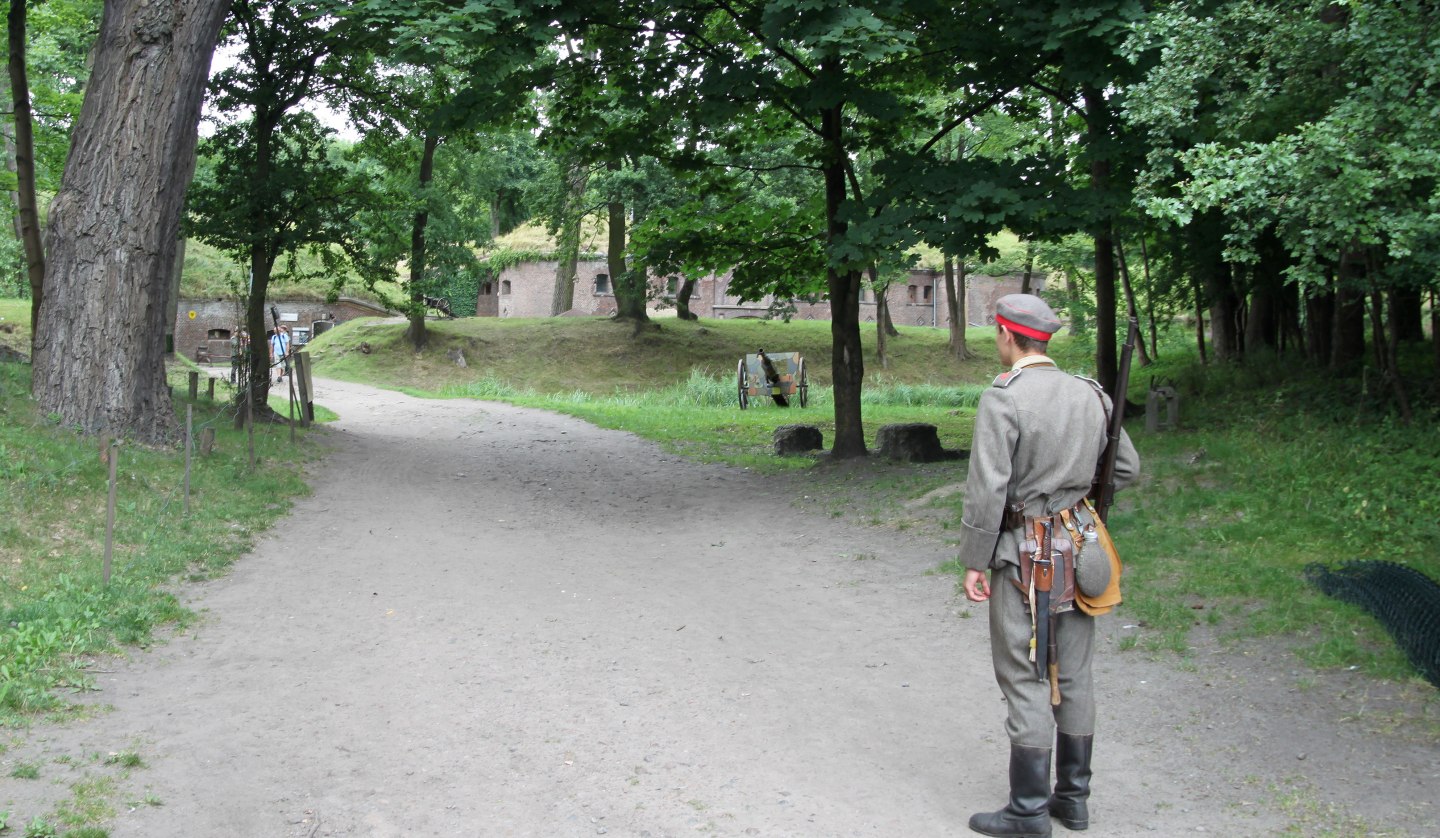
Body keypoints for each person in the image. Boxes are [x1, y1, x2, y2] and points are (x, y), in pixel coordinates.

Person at [957, 294, 1140, 838]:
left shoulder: (1004, 397)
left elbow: (987, 488)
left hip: (1023, 555)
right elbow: (1125, 467)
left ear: (1008, 337)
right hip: (1081, 552)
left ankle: (1028, 811)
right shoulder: (1092, 395)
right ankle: (1073, 801)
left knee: (1026, 675)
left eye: (997, 336)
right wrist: (1077, 497)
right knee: (1076, 676)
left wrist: (974, 559)